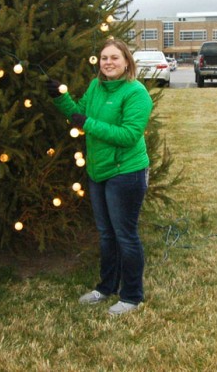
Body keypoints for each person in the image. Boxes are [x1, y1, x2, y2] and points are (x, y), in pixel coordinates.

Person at [47, 39, 153, 316]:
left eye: (114, 58)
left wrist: (88, 124)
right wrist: (60, 97)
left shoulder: (136, 93)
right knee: (106, 235)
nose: (108, 62)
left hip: (126, 172)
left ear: (126, 62)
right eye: (104, 58)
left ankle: (131, 296)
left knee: (125, 236)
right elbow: (78, 114)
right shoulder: (96, 87)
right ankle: (106, 287)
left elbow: (129, 135)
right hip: (98, 170)